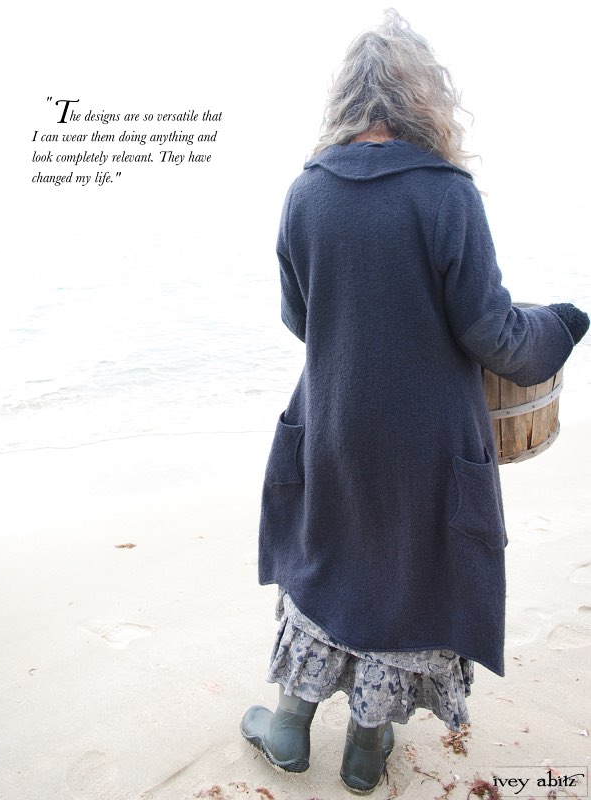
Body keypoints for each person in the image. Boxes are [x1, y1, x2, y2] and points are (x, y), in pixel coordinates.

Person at [240, 9, 589, 794]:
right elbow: (494, 334)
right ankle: (368, 747)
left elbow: (301, 318)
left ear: (347, 98)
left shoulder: (306, 193)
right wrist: (563, 324)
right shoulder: (447, 195)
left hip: (333, 425)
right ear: (424, 96)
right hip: (427, 441)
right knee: (407, 577)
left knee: (327, 560)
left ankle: (289, 728)